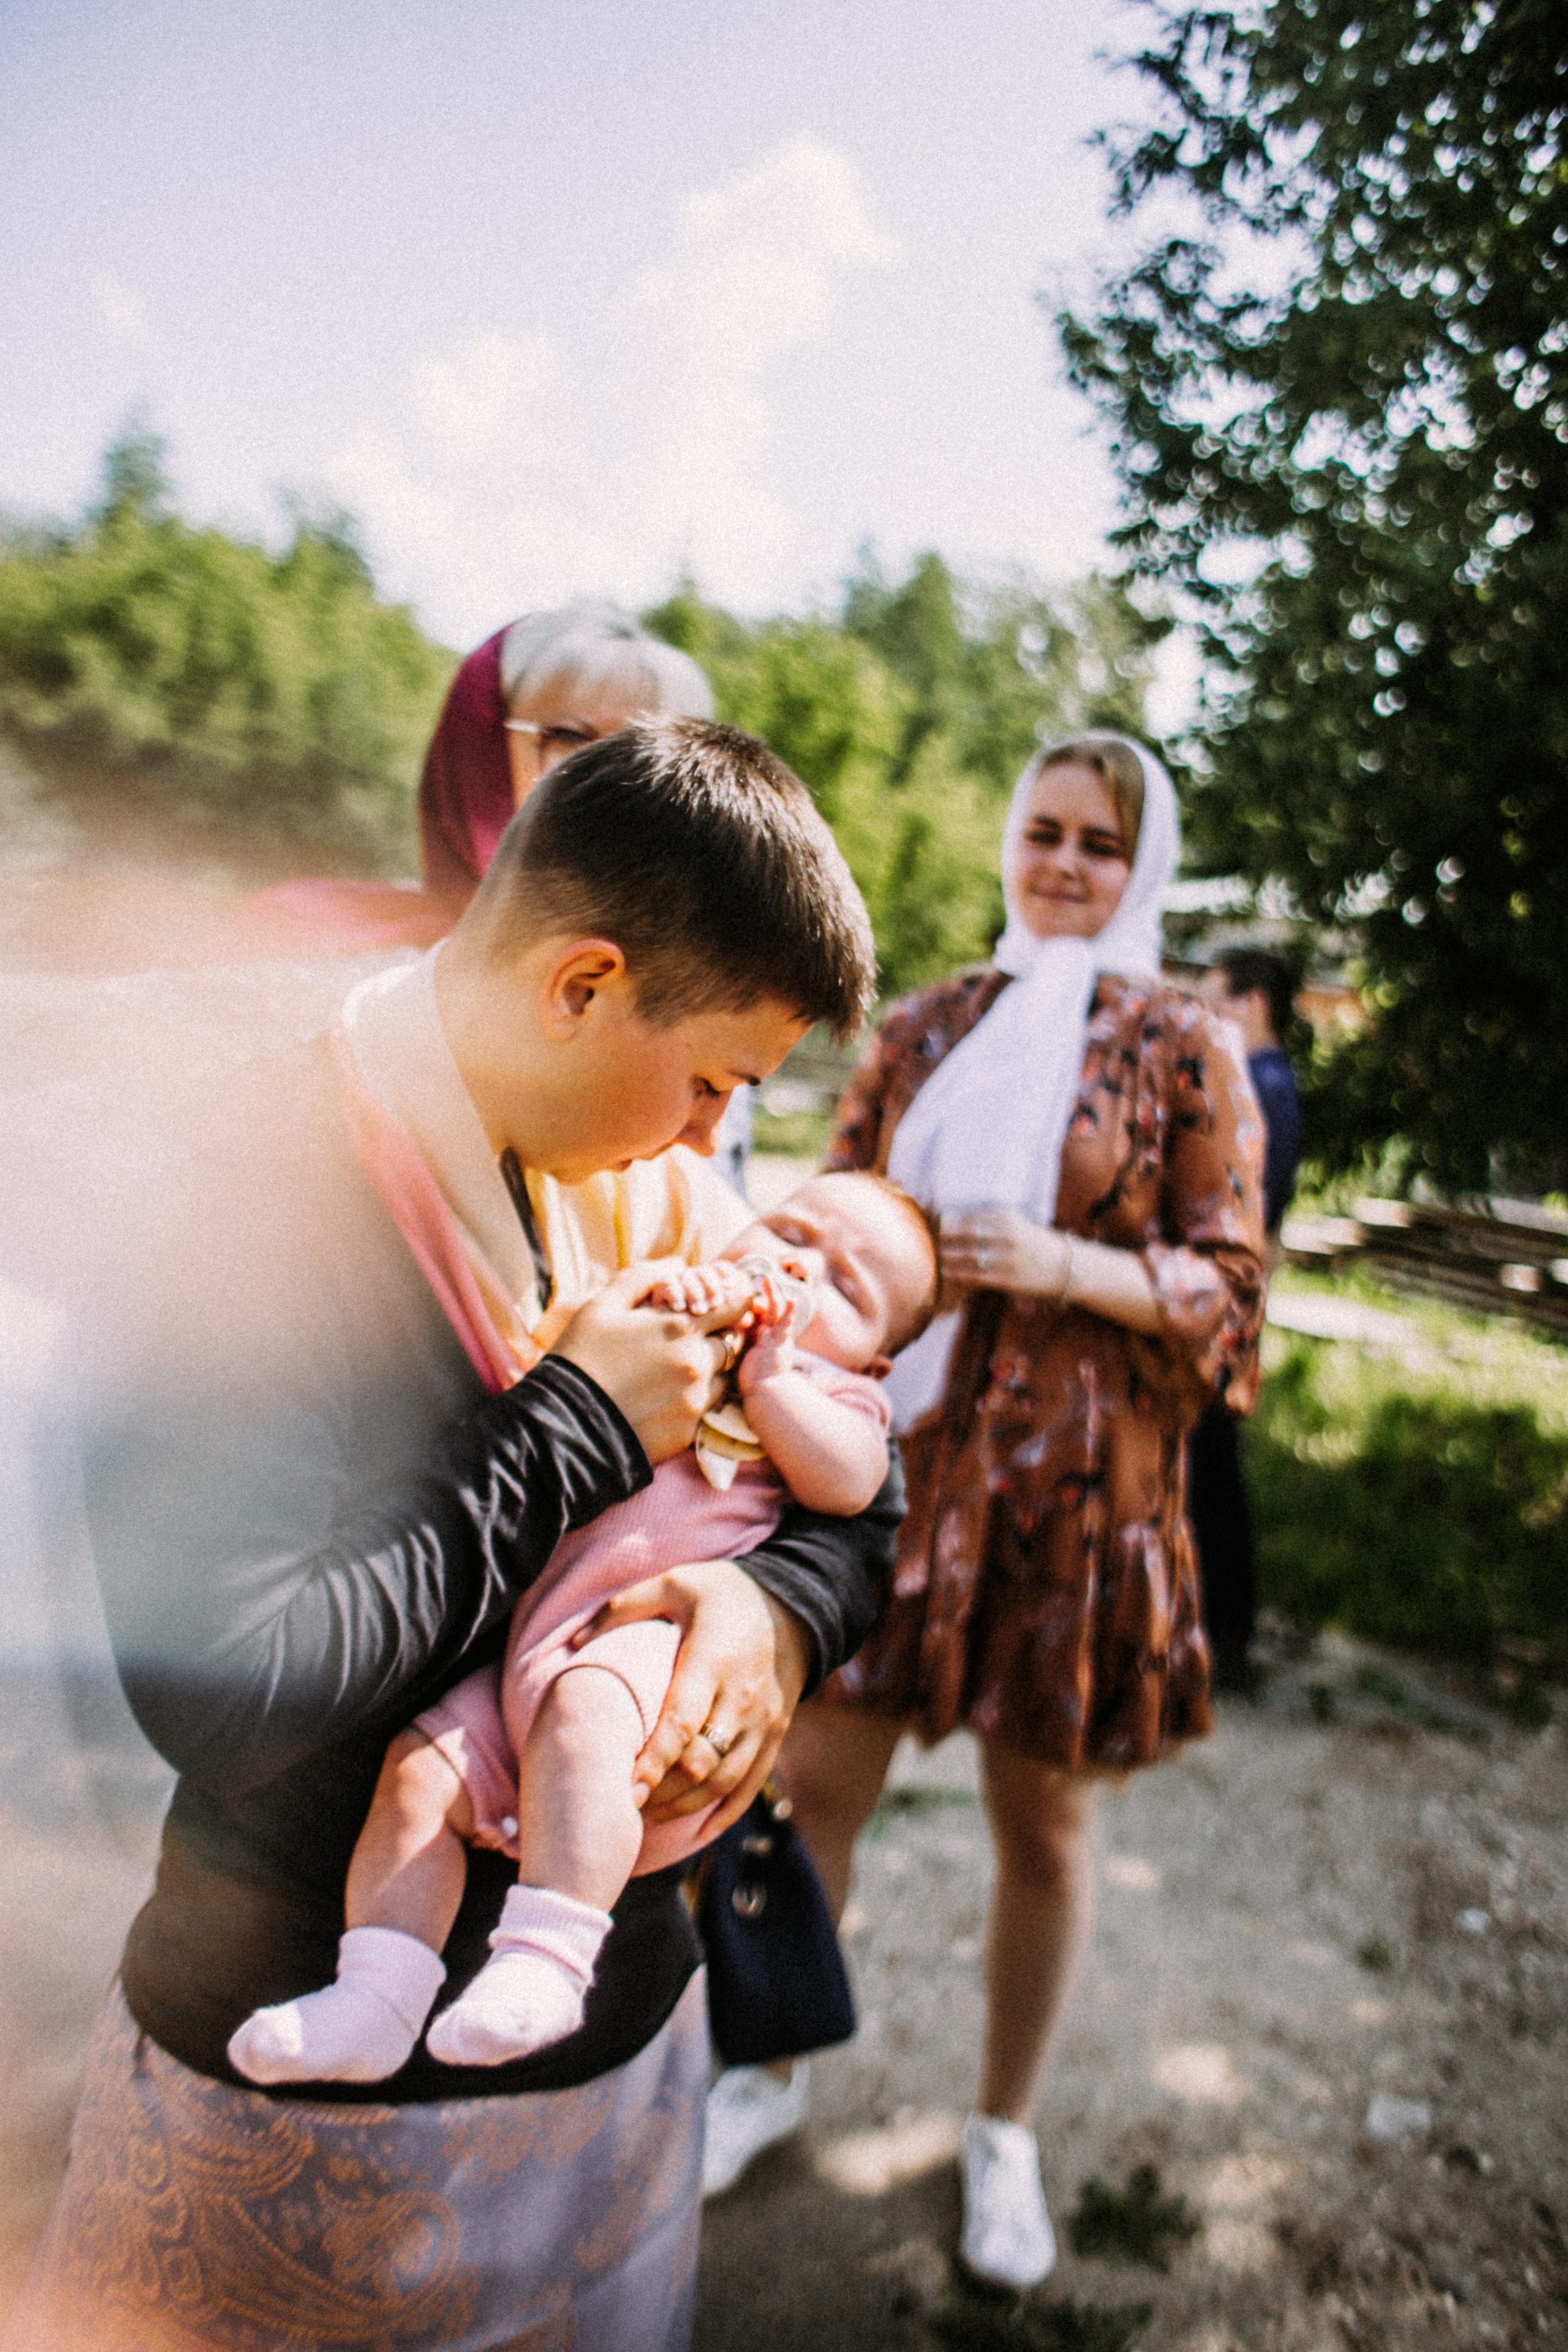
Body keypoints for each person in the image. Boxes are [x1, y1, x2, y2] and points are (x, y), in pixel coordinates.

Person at [6, 720, 895, 2352]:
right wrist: (569, 1430)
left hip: (624, 2031)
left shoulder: (660, 1196)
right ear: (583, 984)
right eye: (712, 1081)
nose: (715, 1140)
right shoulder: (241, 1199)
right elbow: (226, 1685)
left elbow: (858, 1499)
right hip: (313, 2087)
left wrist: (772, 1623)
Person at [703, 735, 1267, 2291]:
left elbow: (1231, 1293)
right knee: (813, 1782)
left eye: (1099, 839)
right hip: (892, 1473)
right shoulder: (931, 1020)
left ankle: (1001, 2128)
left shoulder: (1181, 1048)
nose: (1064, 861)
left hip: (1074, 1505)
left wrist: (1061, 1264)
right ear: (1007, 840)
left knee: (1046, 1824)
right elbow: (823, 1202)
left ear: (1139, 866)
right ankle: (764, 2066)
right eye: (1041, 828)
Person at [228, 1170, 938, 2086]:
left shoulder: (838, 1398)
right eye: (790, 1231)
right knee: (419, 1773)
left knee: (588, 1708)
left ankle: (547, 1959)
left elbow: (851, 1487)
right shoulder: (678, 1309)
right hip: (536, 1633)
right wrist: (669, 1303)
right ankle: (376, 1995)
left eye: (846, 1287)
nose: (800, 1269)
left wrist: (772, 1381)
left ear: (877, 1362)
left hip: (650, 1637)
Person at [243, 599, 757, 1191]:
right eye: (569, 740)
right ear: (478, 747)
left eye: (648, 761)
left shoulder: (701, 1027)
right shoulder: (306, 941)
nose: (613, 789)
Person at [1188, 947, 1303, 1689]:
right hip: (1235, 1293)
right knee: (1209, 1464)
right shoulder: (1270, 1082)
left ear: (1254, 999)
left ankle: (1221, 1636)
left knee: (1207, 1466)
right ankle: (1220, 1632)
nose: (1206, 1017)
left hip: (1222, 1298)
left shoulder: (1259, 1085)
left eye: (1216, 1000)